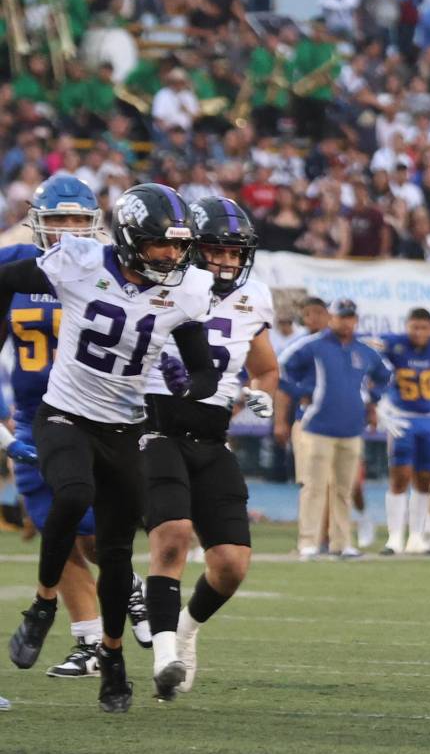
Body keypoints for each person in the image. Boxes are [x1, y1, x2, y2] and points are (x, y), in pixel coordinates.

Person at [0, 183, 222, 713]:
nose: (169, 255)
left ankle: (112, 658)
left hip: (123, 428)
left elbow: (204, 373)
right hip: (63, 413)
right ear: (127, 239)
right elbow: (7, 278)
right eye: (158, 243)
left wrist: (185, 386)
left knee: (117, 551)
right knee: (73, 495)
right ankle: (43, 605)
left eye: (177, 245)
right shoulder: (79, 261)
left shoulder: (189, 288)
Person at [1, 174, 143, 680]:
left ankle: (127, 585)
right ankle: (89, 640)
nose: (66, 229)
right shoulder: (15, 267)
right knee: (54, 527)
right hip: (33, 416)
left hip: (96, 415)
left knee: (92, 533)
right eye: (57, 219)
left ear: (94, 224)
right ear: (38, 223)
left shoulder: (111, 269)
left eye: (76, 220)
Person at [141, 197, 279, 700]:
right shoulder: (160, 281)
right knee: (173, 536)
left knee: (231, 564)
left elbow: (265, 368)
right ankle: (163, 656)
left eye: (234, 252)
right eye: (216, 250)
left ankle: (185, 630)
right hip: (155, 427)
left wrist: (259, 395)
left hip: (211, 436)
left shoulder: (253, 298)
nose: (225, 261)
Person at [275, 298, 392, 559]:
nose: (346, 322)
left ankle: (341, 542)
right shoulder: (313, 345)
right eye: (341, 317)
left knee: (343, 489)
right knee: (314, 487)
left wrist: (372, 400)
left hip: (351, 429)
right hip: (317, 427)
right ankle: (308, 541)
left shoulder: (363, 350)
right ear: (332, 318)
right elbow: (282, 368)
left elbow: (385, 375)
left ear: (356, 320)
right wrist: (303, 392)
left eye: (350, 317)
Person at [375, 307, 430, 555]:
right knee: (400, 475)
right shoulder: (394, 345)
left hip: (429, 420)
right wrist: (381, 407)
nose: (419, 332)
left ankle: (417, 536)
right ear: (407, 326)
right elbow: (371, 368)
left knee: (425, 478)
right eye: (414, 327)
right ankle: (394, 537)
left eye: (424, 328)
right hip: (402, 418)